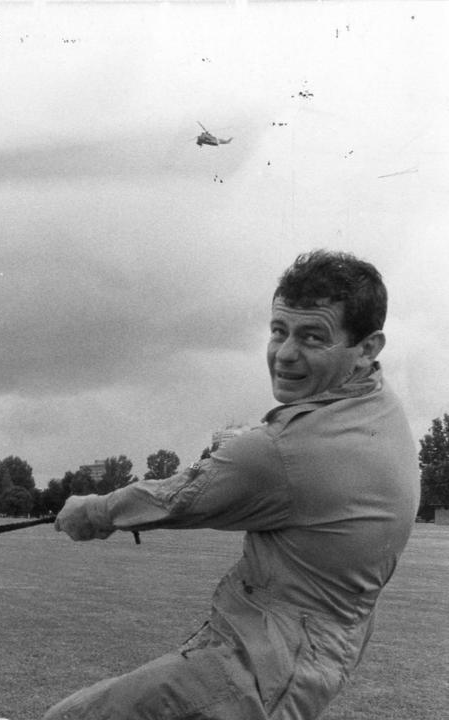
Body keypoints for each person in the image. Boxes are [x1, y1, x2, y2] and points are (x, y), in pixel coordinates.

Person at [46, 250, 419, 720]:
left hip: (267, 663)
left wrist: (91, 511)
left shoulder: (283, 452)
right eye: (278, 330)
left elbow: (176, 499)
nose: (285, 353)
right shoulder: (377, 404)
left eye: (312, 336)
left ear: (367, 347)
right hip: (310, 647)